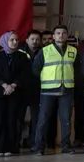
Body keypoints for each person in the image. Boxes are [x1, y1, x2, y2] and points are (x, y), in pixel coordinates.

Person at [31, 25, 77, 154]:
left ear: (67, 35)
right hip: (48, 91)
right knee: (43, 120)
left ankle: (66, 146)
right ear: (54, 36)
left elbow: (77, 70)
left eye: (63, 33)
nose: (61, 35)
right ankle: (39, 147)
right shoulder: (45, 51)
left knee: (66, 120)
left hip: (67, 91)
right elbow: (35, 69)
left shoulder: (73, 51)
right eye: (58, 33)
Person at [0, 31, 27, 157]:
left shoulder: (22, 56)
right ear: (5, 41)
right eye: (11, 40)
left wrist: (13, 86)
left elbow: (24, 74)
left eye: (16, 40)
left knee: (12, 120)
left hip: (15, 92)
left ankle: (10, 147)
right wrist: (5, 85)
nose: (15, 42)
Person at [13, 30, 42, 150]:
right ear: (26, 40)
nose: (35, 42)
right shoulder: (19, 52)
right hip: (21, 90)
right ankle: (15, 144)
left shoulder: (44, 52)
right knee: (18, 118)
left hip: (38, 90)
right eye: (32, 39)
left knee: (36, 119)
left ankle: (34, 144)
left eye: (37, 40)